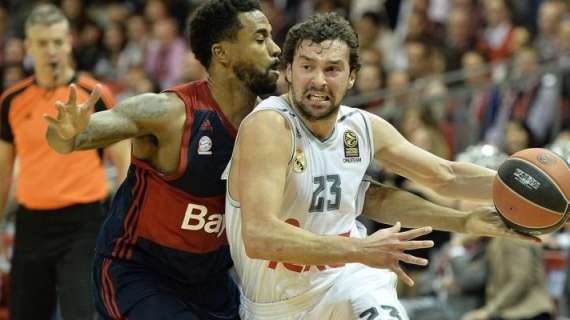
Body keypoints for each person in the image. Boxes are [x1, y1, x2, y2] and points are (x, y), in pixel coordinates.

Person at [225, 12, 535, 320]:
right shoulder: (270, 125)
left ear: (351, 76)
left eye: (332, 69)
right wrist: (360, 251)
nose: (318, 80)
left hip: (348, 281)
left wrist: (521, 196)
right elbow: (260, 236)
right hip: (277, 307)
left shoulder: (360, 127)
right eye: (308, 67)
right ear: (288, 71)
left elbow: (446, 176)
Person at [45, 0, 281, 318]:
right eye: (260, 38)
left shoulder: (272, 122)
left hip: (210, 283)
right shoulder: (170, 113)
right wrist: (67, 131)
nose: (276, 48)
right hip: (138, 274)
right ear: (222, 53)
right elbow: (72, 139)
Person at [0, 4, 130, 320]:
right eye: (42, 43)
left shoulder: (94, 95)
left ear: (70, 41)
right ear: (28, 47)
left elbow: (126, 163)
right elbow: (3, 172)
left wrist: (125, 224)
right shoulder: (11, 101)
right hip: (31, 224)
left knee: (81, 313)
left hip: (84, 224)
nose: (51, 51)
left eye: (58, 41)